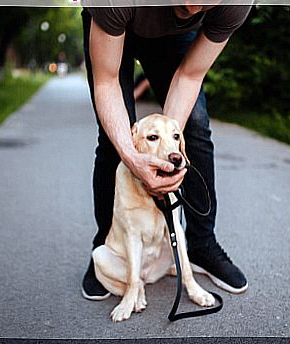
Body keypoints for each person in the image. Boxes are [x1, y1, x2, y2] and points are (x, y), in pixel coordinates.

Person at [81, 3, 252, 300]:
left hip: (173, 38)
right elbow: (106, 82)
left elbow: (189, 76)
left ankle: (201, 244)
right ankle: (109, 245)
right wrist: (134, 159)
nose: (196, 5)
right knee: (115, 140)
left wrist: (166, 157)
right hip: (114, 24)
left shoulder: (235, 5)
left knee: (195, 124)